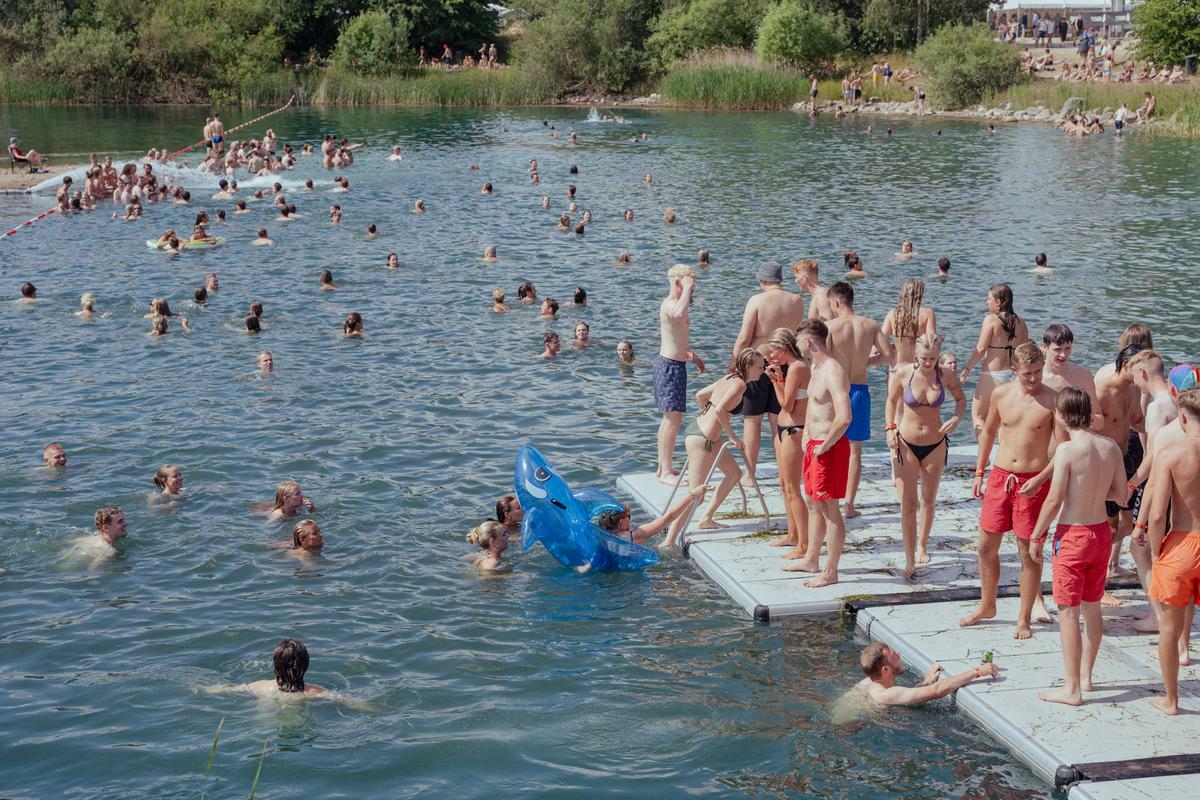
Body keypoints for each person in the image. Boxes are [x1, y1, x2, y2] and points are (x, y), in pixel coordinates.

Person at [1031, 388, 1129, 706]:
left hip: (1072, 535)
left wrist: (1036, 535)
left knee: (1068, 613)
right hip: (1101, 534)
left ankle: (1071, 688)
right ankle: (1087, 677)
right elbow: (1120, 495)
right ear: (1089, 413)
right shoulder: (1110, 446)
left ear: (1060, 415)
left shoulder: (1067, 451)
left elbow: (1054, 498)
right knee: (1092, 606)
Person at [961, 343, 1063, 639]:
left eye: (1037, 372)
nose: (1033, 378)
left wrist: (1042, 478)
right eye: (1027, 373)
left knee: (1028, 553)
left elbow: (1064, 449)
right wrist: (980, 471)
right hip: (1000, 476)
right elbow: (989, 431)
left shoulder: (1052, 400)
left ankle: (1024, 618)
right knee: (984, 546)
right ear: (1014, 370)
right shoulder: (1001, 394)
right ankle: (987, 605)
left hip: (1033, 481)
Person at [885, 334, 967, 576]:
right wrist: (890, 429)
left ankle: (922, 544)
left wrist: (955, 418)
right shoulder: (904, 373)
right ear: (915, 355)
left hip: (935, 443)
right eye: (923, 358)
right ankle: (909, 559)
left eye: (932, 358)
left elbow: (961, 400)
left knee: (928, 500)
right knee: (908, 504)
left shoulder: (945, 375)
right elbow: (890, 402)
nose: (928, 363)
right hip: (906, 442)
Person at [664, 349, 763, 546]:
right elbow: (719, 410)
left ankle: (706, 519)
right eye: (760, 367)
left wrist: (709, 421)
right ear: (748, 367)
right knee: (696, 496)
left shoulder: (729, 377)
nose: (762, 371)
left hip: (701, 432)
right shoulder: (740, 385)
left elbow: (700, 395)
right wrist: (733, 437)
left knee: (734, 473)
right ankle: (668, 541)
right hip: (703, 440)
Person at [1145, 389, 1200, 715]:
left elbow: (1155, 514)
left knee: (1169, 628)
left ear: (1181, 418)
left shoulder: (1171, 455)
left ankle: (1171, 700)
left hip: (1180, 542)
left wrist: (1156, 551)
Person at [784, 320, 852, 586]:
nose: (797, 346)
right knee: (812, 501)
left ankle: (831, 571)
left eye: (799, 341)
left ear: (809, 342)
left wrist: (825, 444)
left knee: (829, 508)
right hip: (814, 444)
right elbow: (815, 406)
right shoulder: (815, 366)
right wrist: (809, 436)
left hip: (829, 447)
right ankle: (812, 558)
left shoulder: (833, 370)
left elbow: (844, 416)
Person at [730, 261, 806, 487]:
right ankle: (786, 471)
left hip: (758, 364)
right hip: (785, 364)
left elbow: (745, 337)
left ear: (762, 281)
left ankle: (750, 474)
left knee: (752, 421)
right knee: (779, 421)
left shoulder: (757, 300)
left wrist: (735, 360)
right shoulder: (797, 301)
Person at [825, 281, 892, 518]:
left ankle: (829, 497)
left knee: (828, 444)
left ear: (835, 302)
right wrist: (866, 362)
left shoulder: (830, 327)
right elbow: (887, 355)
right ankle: (850, 504)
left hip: (836, 390)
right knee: (855, 451)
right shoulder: (870, 325)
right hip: (860, 390)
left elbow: (822, 361)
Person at [1095, 344, 1148, 593]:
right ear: (1126, 366)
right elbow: (1084, 429)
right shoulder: (1103, 388)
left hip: (1126, 458)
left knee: (1129, 524)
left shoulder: (1135, 388)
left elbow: (1138, 421)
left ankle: (1099, 563)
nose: (1144, 375)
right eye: (1140, 370)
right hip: (1104, 462)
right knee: (1108, 524)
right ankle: (1099, 584)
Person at [654, 265, 705, 484]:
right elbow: (678, 314)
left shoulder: (676, 304)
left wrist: (690, 355)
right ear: (678, 284)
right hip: (669, 366)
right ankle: (665, 470)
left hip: (676, 363)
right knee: (672, 419)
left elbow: (677, 334)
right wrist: (686, 287)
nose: (691, 293)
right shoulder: (670, 304)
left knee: (672, 418)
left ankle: (663, 466)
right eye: (690, 288)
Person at [765, 328, 811, 560]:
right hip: (784, 430)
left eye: (774, 351)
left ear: (783, 349)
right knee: (784, 484)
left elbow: (787, 405)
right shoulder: (792, 369)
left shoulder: (798, 368)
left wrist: (775, 380)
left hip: (794, 430)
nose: (772, 356)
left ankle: (804, 543)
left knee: (793, 488)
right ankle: (793, 534)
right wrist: (779, 377)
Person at [960, 284, 1029, 436]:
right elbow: (1024, 353)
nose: (987, 302)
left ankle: (983, 458)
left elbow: (980, 349)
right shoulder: (1022, 323)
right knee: (1005, 422)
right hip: (1014, 377)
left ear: (999, 302)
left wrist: (967, 369)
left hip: (993, 376)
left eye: (989, 299)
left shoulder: (991, 320)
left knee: (979, 417)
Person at [851, 643, 998, 706]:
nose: (899, 654)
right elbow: (937, 691)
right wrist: (978, 671)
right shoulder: (886, 694)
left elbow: (905, 695)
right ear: (885, 670)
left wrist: (925, 683)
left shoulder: (868, 682)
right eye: (894, 655)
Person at [597, 485, 708, 545]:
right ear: (621, 521)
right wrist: (692, 495)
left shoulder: (601, 538)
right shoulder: (635, 535)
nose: (630, 519)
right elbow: (669, 517)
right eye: (629, 517)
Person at [1040, 324, 1099, 424]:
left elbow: (1098, 417)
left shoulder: (1083, 375)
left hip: (1076, 437)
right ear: (1044, 347)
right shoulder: (1035, 378)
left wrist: (1085, 420)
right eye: (1058, 349)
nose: (1063, 355)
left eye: (1067, 348)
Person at [881, 279, 937, 370]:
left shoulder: (892, 313)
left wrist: (892, 345)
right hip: (917, 368)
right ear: (920, 294)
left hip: (896, 367)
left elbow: (880, 340)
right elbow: (932, 343)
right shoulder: (927, 313)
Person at [245, 639, 327, 697]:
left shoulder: (259, 686)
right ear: (305, 664)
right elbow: (339, 698)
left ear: (276, 665)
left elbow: (232, 689)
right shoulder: (316, 692)